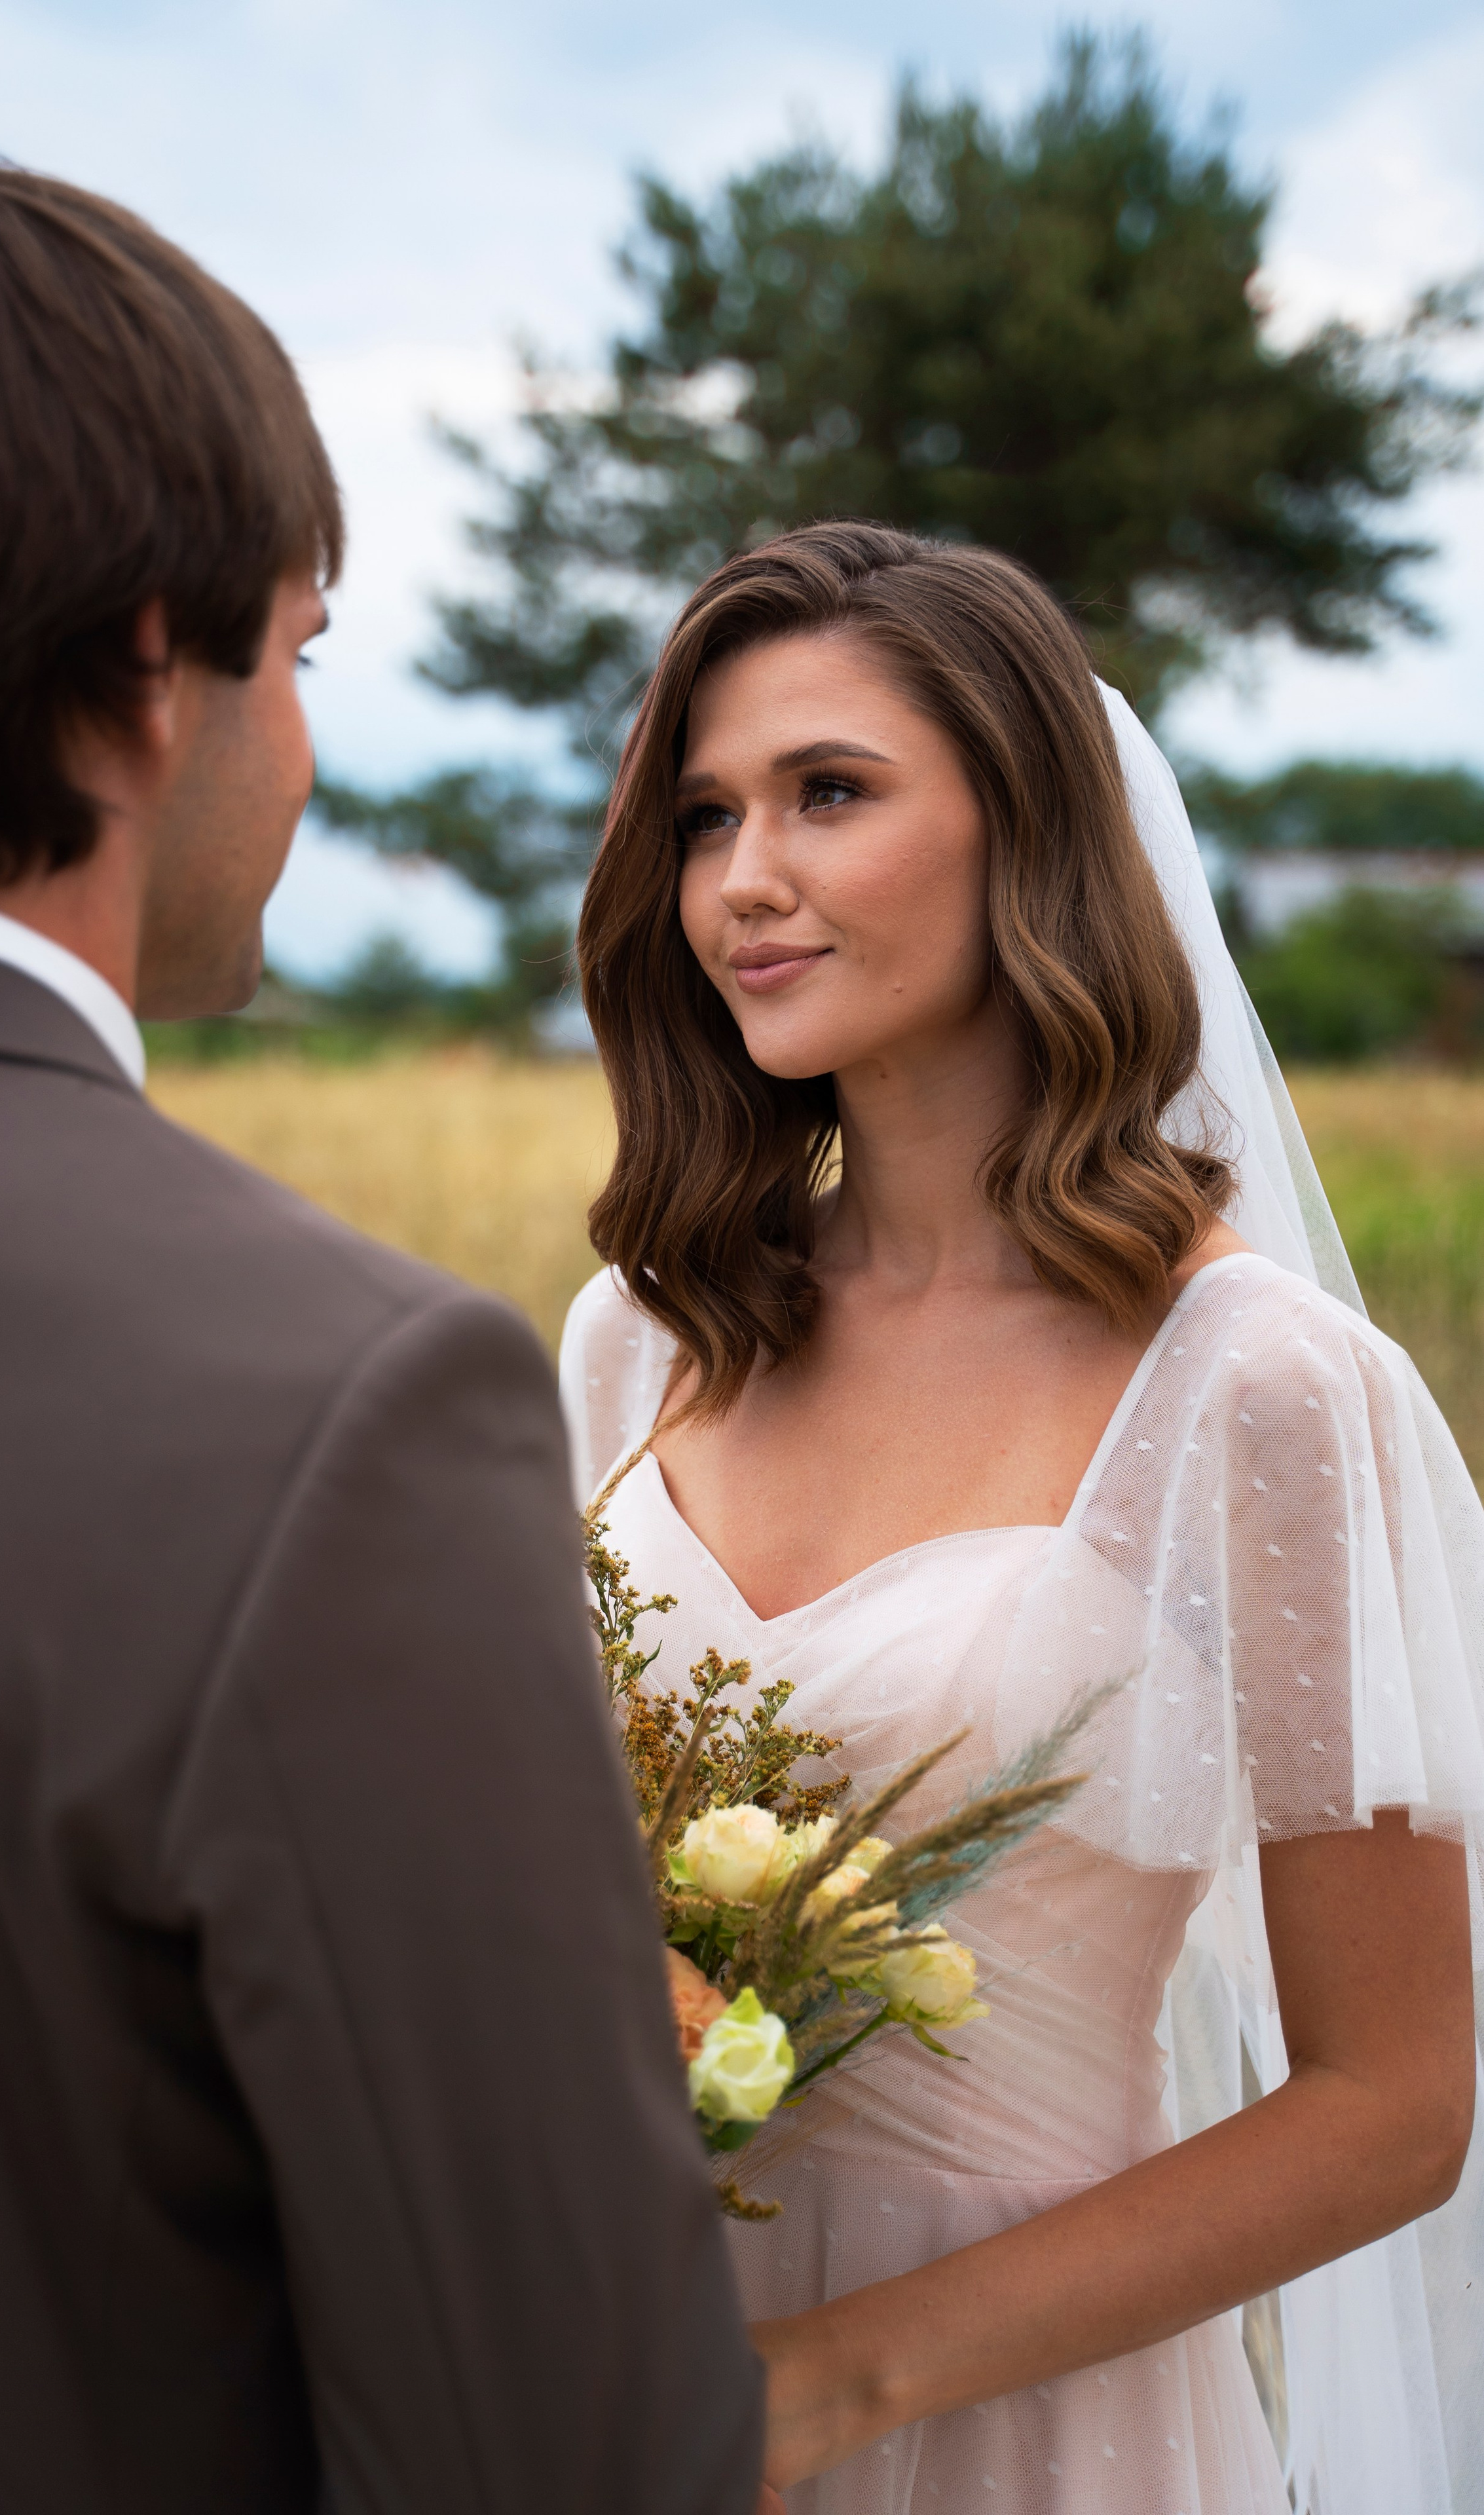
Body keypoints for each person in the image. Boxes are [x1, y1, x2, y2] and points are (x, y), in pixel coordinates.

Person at [0, 158, 766, 2515]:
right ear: (154, 671)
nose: (308, 753)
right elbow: (565, 2452)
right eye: (306, 654)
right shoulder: (338, 1408)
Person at [560, 523, 1484, 2514]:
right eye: (705, 815)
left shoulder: (1253, 1390)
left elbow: (1394, 2104)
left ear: (1034, 839)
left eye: (831, 794)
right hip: (624, 2378)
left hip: (1025, 2425)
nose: (743, 881)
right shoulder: (634, 1342)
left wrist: (833, 2381)